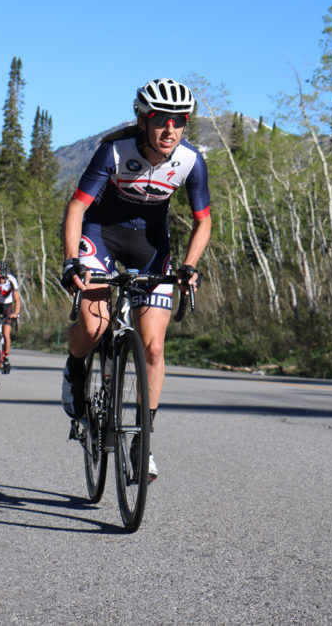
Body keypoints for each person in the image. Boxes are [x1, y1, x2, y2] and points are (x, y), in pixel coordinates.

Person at [60, 78, 211, 482]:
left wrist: (190, 265)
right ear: (142, 120)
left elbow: (203, 221)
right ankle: (76, 367)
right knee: (94, 326)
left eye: (179, 122)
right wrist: (72, 261)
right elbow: (77, 209)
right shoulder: (113, 150)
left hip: (150, 244)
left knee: (153, 348)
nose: (170, 130)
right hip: (101, 234)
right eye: (161, 120)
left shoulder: (191, 161)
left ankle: (143, 443)